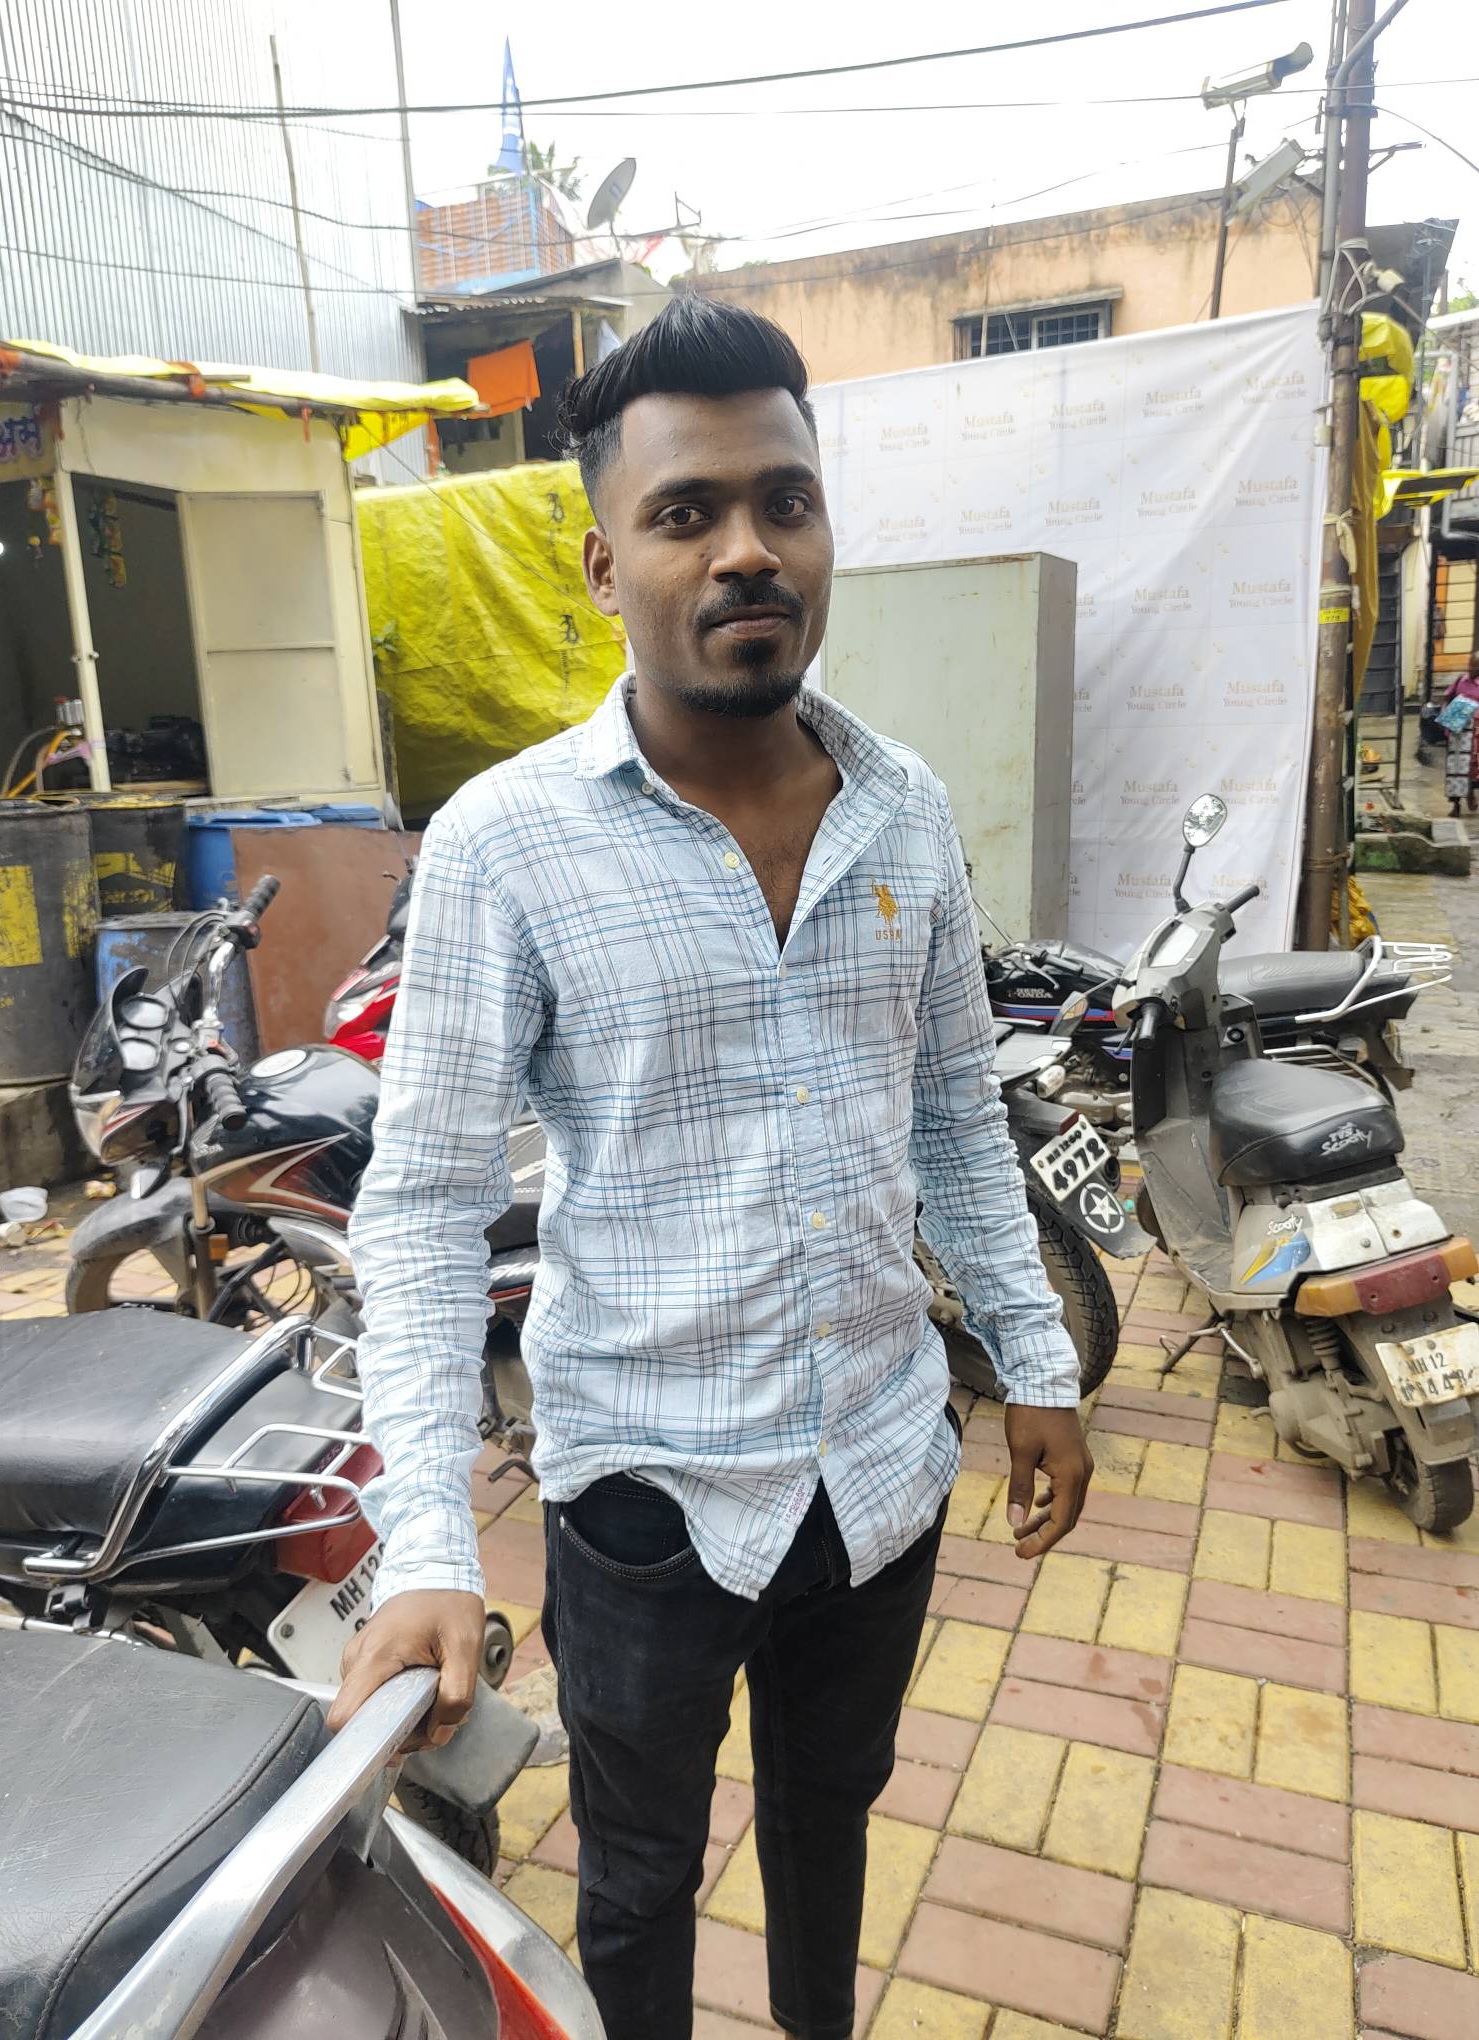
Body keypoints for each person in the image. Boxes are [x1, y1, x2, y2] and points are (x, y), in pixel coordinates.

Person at [331, 295, 1091, 2040]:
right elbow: (426, 1211)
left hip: (881, 1469)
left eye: (784, 501)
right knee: (637, 1875)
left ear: (822, 530)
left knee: (833, 1821)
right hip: (646, 1502)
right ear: (607, 564)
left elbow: (954, 1115)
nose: (747, 548)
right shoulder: (507, 845)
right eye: (687, 513)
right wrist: (429, 1540)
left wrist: (1035, 1360)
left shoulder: (903, 807)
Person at [1440, 651, 1479, 817]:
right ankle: (1456, 805)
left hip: (1476, 734)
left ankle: (1470, 792)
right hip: (1458, 733)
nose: (1472, 668)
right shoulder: (1460, 681)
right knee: (1455, 769)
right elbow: (1447, 698)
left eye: (1475, 665)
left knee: (1473, 768)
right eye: (1471, 664)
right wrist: (1447, 717)